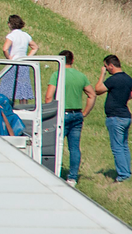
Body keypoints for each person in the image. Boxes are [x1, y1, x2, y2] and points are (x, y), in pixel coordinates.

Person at [45, 50, 95, 186]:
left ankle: (54, 171)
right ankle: (72, 177)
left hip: (62, 114)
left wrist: (49, 113)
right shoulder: (81, 76)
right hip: (77, 114)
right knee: (74, 147)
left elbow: (49, 96)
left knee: (55, 144)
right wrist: (85, 112)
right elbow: (92, 95)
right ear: (72, 60)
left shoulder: (57, 75)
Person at [95, 54, 132, 182]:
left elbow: (98, 90)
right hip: (126, 116)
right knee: (124, 146)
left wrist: (102, 75)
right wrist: (126, 97)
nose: (106, 69)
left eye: (106, 66)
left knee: (117, 147)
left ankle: (123, 175)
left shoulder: (113, 79)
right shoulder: (127, 78)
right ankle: (127, 172)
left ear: (111, 66)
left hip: (115, 117)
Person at [0, 14, 38, 104]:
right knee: (23, 89)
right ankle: (24, 109)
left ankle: (7, 108)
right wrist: (27, 58)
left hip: (13, 64)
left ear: (10, 24)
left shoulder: (11, 36)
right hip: (24, 64)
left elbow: (5, 48)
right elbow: (35, 47)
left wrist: (9, 57)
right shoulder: (25, 35)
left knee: (7, 89)